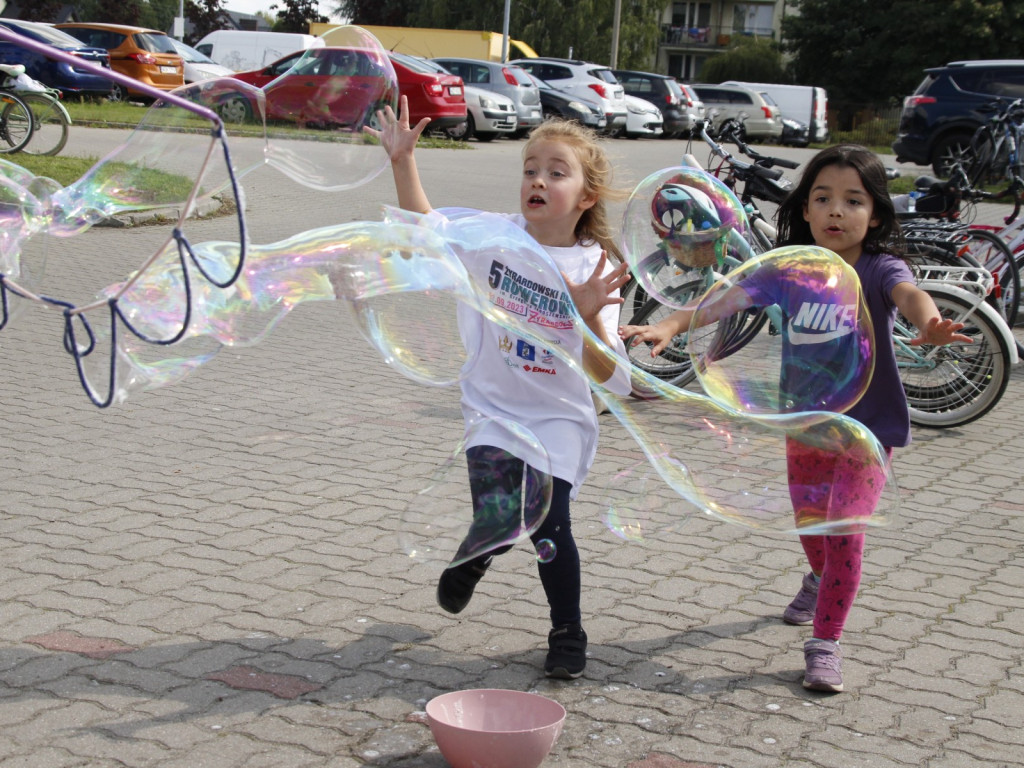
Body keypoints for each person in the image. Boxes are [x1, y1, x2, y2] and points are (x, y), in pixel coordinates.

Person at [619, 144, 971, 692]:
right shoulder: (793, 269)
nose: (836, 211)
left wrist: (929, 323)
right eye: (822, 198)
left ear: (874, 213)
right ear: (804, 209)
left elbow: (911, 294)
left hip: (866, 428)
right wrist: (670, 326)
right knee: (812, 526)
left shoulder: (879, 268)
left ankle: (825, 642)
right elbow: (726, 298)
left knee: (844, 532)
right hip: (803, 424)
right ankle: (816, 577)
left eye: (853, 201)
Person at [364, 97, 632, 678]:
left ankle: (568, 631)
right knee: (499, 511)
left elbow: (619, 380)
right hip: (491, 408)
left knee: (548, 522)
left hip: (559, 417)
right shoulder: (494, 238)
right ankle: (483, 546)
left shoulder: (596, 266)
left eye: (556, 172)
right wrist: (402, 161)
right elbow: (425, 232)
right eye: (530, 168)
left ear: (586, 196)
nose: (537, 180)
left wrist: (582, 319)